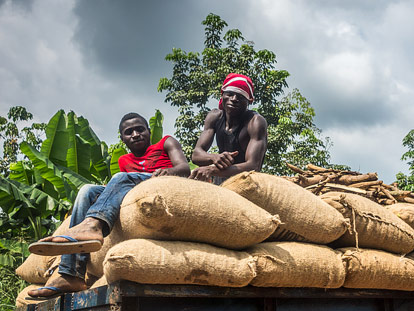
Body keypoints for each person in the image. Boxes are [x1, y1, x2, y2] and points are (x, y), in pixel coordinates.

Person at [27, 113, 190, 298]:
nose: (135, 134)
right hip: (134, 190)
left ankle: (94, 226)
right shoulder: (124, 161)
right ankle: (71, 273)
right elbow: (121, 191)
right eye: (129, 132)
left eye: (140, 129)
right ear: (123, 139)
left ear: (149, 131)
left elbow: (184, 169)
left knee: (119, 178)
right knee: (87, 190)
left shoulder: (166, 143)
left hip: (163, 184)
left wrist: (167, 171)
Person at [189, 73, 267, 184]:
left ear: (249, 101)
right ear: (222, 95)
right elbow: (196, 154)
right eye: (230, 94)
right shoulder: (214, 117)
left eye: (240, 96)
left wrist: (212, 169)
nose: (234, 99)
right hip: (220, 180)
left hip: (247, 182)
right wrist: (214, 158)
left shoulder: (255, 122)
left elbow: (254, 166)